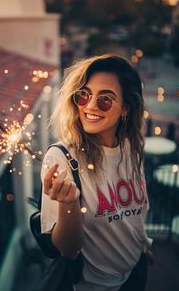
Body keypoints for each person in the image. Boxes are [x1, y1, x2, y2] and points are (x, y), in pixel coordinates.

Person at [40, 54, 153, 291]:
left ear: (125, 109)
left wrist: (142, 246)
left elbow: (134, 214)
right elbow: (68, 250)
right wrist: (68, 202)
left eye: (105, 100)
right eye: (84, 95)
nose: (90, 106)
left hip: (136, 273)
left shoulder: (131, 147)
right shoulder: (62, 158)